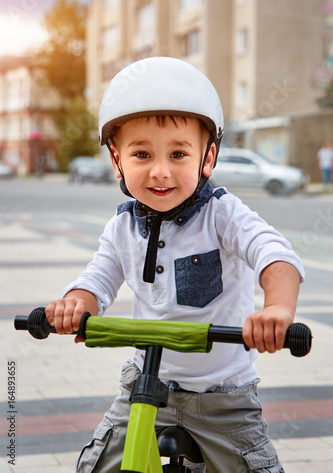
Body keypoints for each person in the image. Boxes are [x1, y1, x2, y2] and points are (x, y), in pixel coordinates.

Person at [46, 57, 304, 473]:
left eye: (179, 153)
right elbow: (98, 279)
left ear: (208, 157)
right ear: (116, 160)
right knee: (95, 465)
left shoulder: (222, 215)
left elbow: (274, 254)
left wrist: (276, 309)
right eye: (142, 153)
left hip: (224, 396)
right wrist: (75, 304)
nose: (160, 171)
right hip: (146, 385)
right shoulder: (121, 227)